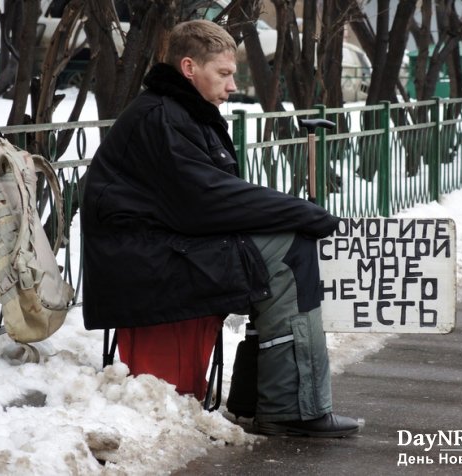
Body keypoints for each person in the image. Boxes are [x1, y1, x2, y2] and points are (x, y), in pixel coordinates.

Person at [81, 19, 359, 438]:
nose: (232, 86)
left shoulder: (180, 112)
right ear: (189, 68)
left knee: (287, 245)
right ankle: (291, 410)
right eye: (224, 74)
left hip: (160, 250)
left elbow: (213, 195)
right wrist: (298, 212)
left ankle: (257, 401)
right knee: (287, 252)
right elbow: (206, 200)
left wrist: (292, 212)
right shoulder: (164, 118)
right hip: (148, 262)